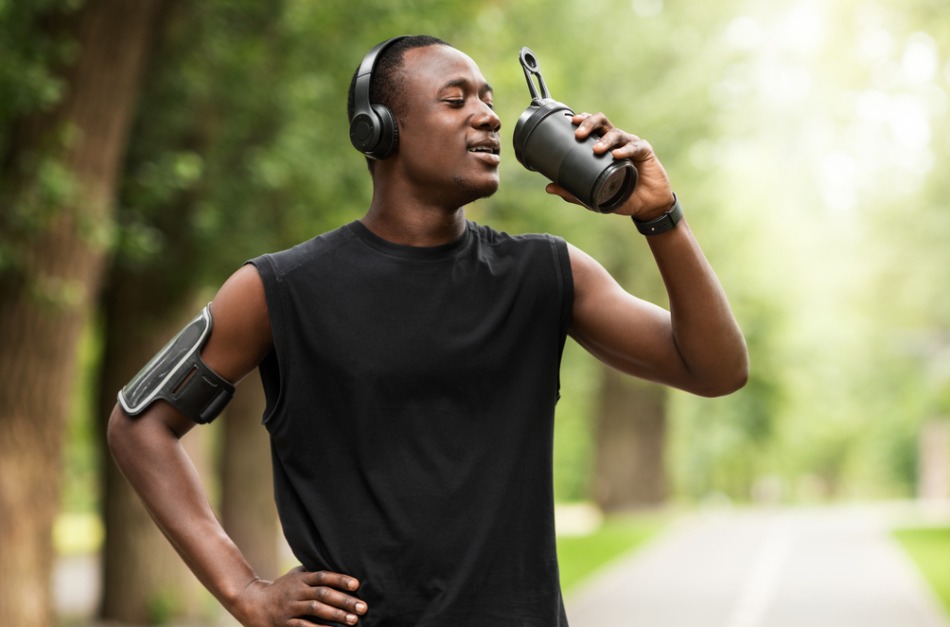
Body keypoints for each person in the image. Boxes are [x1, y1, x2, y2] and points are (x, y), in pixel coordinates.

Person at [108, 35, 748, 627]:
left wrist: (661, 216)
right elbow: (140, 425)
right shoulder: (280, 289)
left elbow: (716, 370)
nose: (489, 116)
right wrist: (244, 592)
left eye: (490, 101)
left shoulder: (547, 276)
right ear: (379, 130)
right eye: (456, 99)